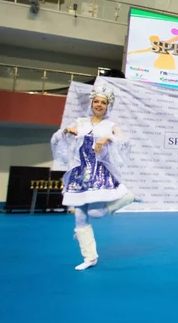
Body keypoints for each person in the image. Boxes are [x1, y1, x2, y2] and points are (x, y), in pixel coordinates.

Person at [51, 85, 139, 271]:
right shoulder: (81, 122)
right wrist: (67, 131)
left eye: (103, 103)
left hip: (98, 173)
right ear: (92, 103)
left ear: (108, 106)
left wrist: (107, 138)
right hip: (79, 174)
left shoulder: (110, 126)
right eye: (96, 101)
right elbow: (58, 139)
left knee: (95, 213)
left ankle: (127, 197)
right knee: (80, 218)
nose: (99, 105)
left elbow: (125, 141)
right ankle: (90, 258)